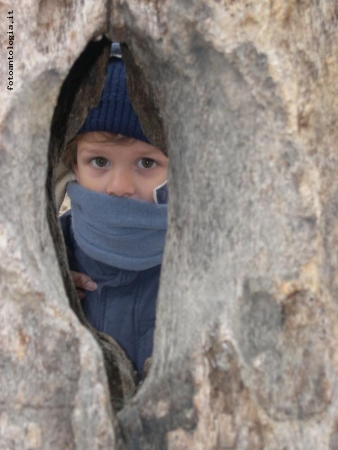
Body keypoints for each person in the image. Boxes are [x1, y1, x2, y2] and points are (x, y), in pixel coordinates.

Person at [60, 43, 168, 380]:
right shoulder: (51, 254)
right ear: (73, 165)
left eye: (147, 162)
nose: (120, 186)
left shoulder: (208, 260)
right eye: (100, 161)